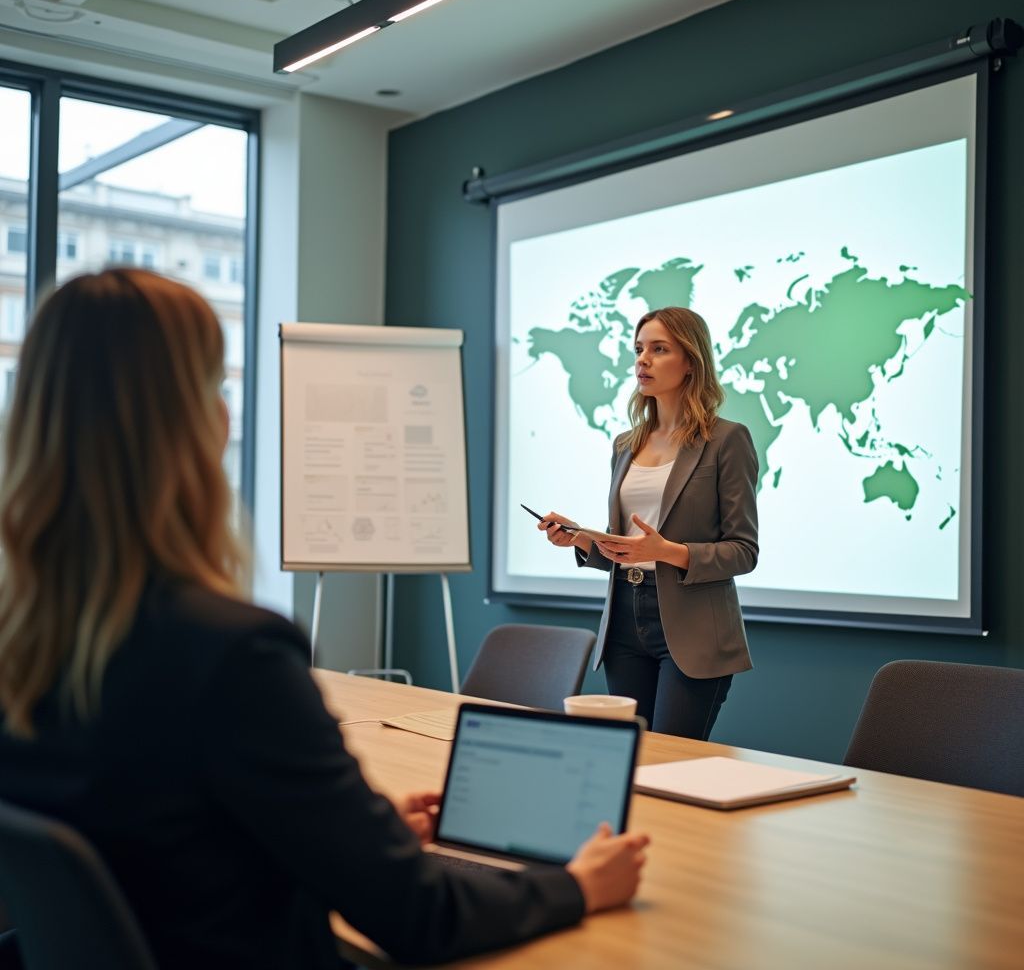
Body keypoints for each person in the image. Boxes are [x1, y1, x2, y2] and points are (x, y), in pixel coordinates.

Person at [0, 269, 649, 970]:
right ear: (190, 426)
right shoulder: (233, 654)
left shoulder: (25, 644)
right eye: (215, 386)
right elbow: (420, 917)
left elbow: (157, 835)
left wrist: (337, 835)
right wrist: (575, 887)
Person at [539, 306, 758, 739]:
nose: (643, 360)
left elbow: (744, 551)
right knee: (629, 758)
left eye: (659, 349)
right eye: (639, 349)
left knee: (671, 762)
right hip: (623, 619)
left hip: (691, 627)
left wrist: (667, 552)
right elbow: (624, 548)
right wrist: (582, 540)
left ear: (691, 362)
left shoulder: (727, 440)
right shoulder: (625, 444)